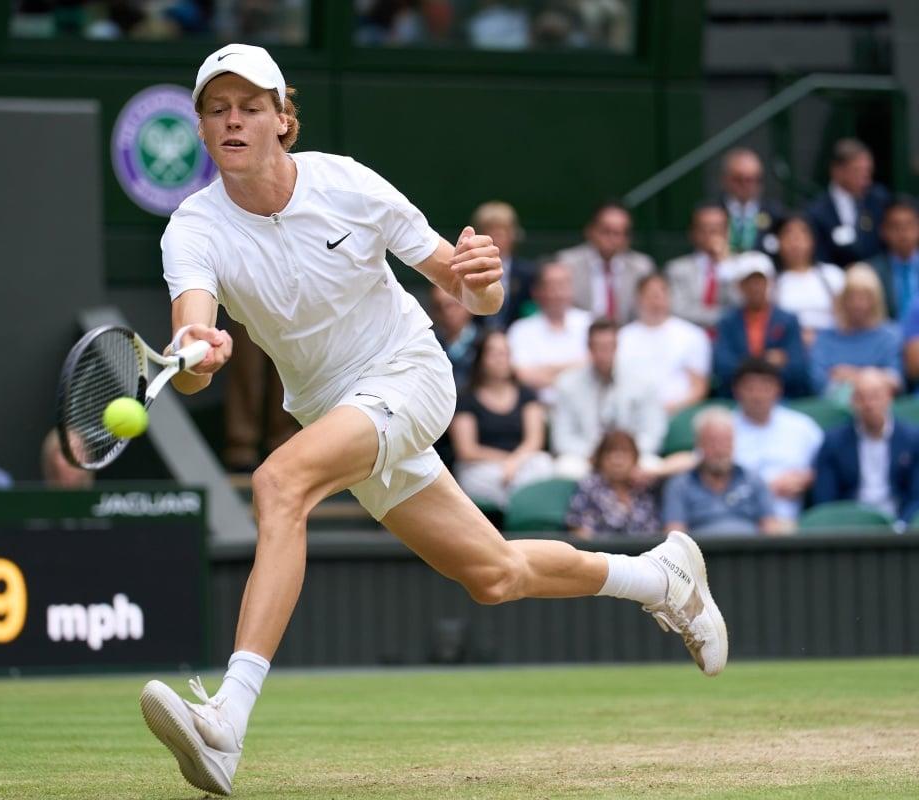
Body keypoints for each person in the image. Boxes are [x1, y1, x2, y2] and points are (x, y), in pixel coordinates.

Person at [140, 43, 728, 798]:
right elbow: (191, 347)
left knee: (280, 482)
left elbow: (465, 289)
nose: (233, 120)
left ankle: (227, 722)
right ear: (200, 128)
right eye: (217, 109)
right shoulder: (192, 228)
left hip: (409, 377)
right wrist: (198, 354)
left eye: (250, 106)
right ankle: (659, 579)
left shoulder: (349, 184)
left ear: (282, 119)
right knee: (494, 573)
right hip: (336, 413)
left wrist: (485, 284)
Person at [551, 318, 665, 479]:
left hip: (631, 455)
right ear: (589, 347)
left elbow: (653, 433)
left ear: (617, 346)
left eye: (609, 346)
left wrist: (626, 454)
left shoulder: (643, 381)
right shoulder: (567, 384)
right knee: (566, 468)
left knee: (653, 466)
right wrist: (597, 454)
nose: (604, 353)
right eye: (599, 347)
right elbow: (562, 439)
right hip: (587, 456)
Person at [449, 331, 553, 507]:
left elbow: (534, 440)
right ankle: (523, 505)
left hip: (522, 463)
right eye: (494, 353)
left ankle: (518, 505)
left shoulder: (527, 394)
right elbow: (466, 450)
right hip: (483, 467)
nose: (501, 359)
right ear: (481, 358)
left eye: (505, 353)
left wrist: (515, 461)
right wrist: (506, 461)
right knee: (475, 479)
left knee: (544, 465)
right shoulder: (465, 399)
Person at [812, 368, 919, 524]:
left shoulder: (913, 439)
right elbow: (825, 500)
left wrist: (902, 525)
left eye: (875, 396)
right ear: (852, 401)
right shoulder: (833, 442)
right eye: (861, 397)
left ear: (889, 397)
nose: (869, 404)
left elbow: (916, 496)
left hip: (899, 525)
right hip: (850, 527)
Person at [661, 407, 783, 537]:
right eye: (712, 442)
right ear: (698, 444)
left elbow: (771, 529)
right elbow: (674, 537)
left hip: (750, 554)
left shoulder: (754, 480)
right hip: (701, 554)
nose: (719, 450)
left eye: (725, 442)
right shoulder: (680, 485)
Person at [730, 359, 823, 526]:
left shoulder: (802, 427)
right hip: (736, 518)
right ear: (737, 391)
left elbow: (827, 466)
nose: (757, 395)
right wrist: (764, 490)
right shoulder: (723, 428)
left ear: (778, 390)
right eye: (750, 388)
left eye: (765, 388)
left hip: (788, 521)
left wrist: (806, 479)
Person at [713, 252, 810, 398]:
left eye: (759, 281)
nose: (755, 287)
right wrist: (765, 361)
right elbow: (723, 367)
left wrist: (746, 364)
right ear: (740, 286)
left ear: (769, 283)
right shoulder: (727, 322)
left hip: (782, 398)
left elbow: (797, 367)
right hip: (736, 399)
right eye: (749, 282)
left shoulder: (788, 320)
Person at [617, 273, 711, 415]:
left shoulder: (693, 335)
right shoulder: (622, 337)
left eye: (661, 294)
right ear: (638, 299)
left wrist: (667, 409)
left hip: (678, 415)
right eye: (651, 296)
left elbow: (699, 388)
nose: (656, 301)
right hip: (630, 413)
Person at [810, 264, 902, 400]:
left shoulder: (890, 336)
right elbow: (817, 382)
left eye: (865, 297)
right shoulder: (826, 337)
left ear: (876, 300)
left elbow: (896, 380)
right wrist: (877, 376)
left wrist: (852, 375)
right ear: (843, 300)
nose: (858, 304)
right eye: (852, 297)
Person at [504, 260, 591, 402]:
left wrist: (546, 370)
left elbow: (597, 365)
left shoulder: (589, 323)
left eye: (564, 284)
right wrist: (575, 369)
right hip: (538, 411)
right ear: (537, 291)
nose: (558, 292)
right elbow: (522, 375)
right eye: (552, 286)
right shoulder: (520, 330)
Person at [557, 201, 655, 323]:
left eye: (618, 233)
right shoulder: (567, 263)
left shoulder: (642, 267)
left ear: (627, 238)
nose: (611, 238)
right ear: (590, 231)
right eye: (605, 231)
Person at [223, 320, 298, 472]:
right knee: (247, 365)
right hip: (248, 299)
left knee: (290, 367)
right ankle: (241, 447)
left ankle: (284, 445)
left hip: (297, 301)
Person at [806, 138, 890, 267]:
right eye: (858, 170)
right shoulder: (817, 211)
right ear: (837, 171)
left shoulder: (880, 200)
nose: (865, 177)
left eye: (868, 170)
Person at [565, 430, 661, 540]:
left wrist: (652, 473)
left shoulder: (645, 488)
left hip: (643, 554)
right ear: (600, 458)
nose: (617, 461)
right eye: (610, 453)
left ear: (635, 458)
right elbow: (579, 532)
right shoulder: (588, 486)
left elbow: (684, 460)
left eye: (625, 453)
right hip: (600, 554)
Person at [664, 203, 741, 329]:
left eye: (717, 229)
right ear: (692, 232)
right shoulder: (676, 269)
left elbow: (742, 305)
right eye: (704, 229)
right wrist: (724, 316)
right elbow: (678, 311)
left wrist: (725, 265)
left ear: (727, 232)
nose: (711, 234)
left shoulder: (742, 266)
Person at [772, 214, 845, 345]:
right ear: (779, 242)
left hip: (832, 345)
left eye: (802, 235)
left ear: (812, 241)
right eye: (789, 235)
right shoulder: (772, 282)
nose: (795, 242)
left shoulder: (833, 275)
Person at [470, 200, 537, 328]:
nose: (497, 237)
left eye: (502, 230)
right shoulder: (467, 269)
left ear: (513, 234)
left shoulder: (527, 273)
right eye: (490, 230)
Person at [719, 148, 785, 255]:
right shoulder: (713, 212)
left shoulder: (775, 213)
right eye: (738, 179)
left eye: (751, 179)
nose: (745, 185)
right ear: (725, 179)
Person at [867, 199, 919, 320]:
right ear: (883, 231)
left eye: (909, 224)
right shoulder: (871, 271)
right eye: (895, 226)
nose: (903, 232)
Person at [430, 284, 480, 388]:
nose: (447, 312)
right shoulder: (430, 343)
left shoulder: (485, 342)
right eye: (438, 307)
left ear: (468, 305)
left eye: (452, 305)